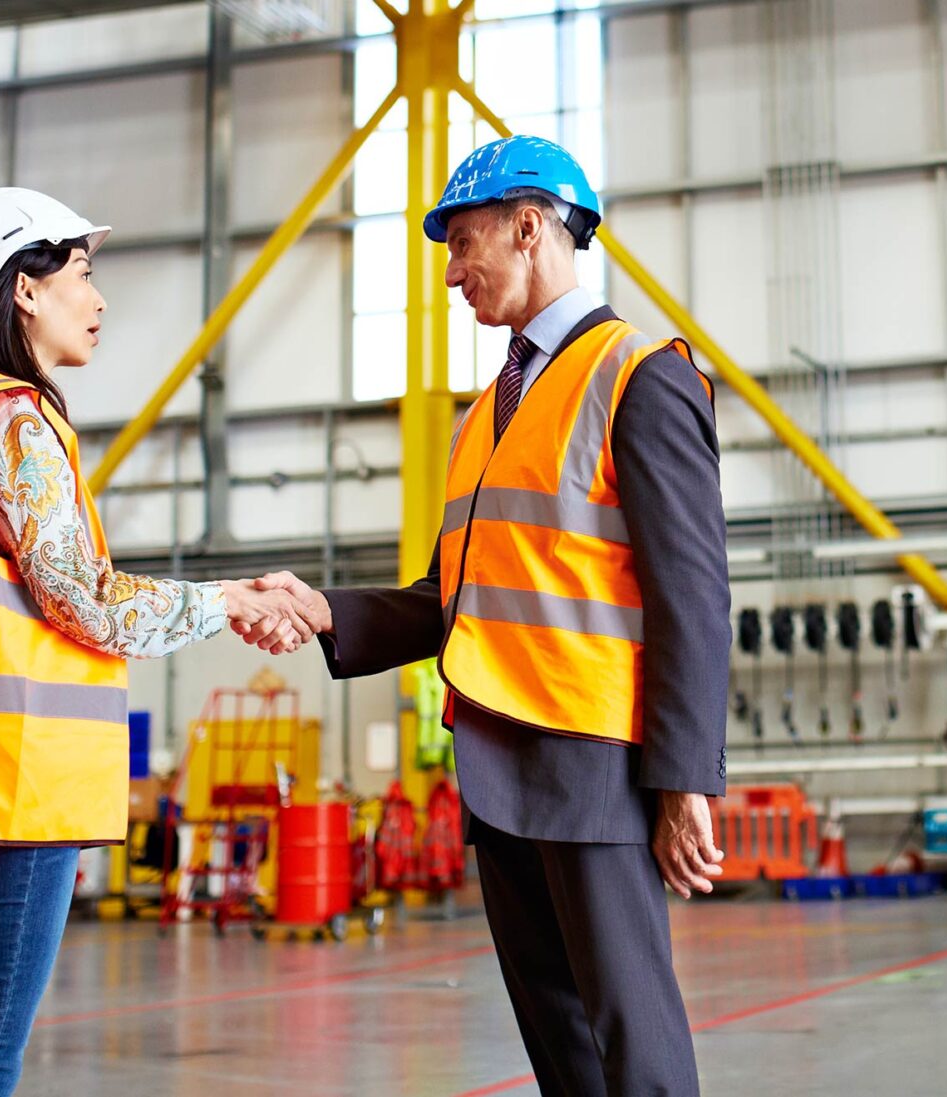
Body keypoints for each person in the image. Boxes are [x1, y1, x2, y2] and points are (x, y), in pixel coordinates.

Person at [256, 135, 729, 1096]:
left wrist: (685, 778)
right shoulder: (487, 413)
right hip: (499, 766)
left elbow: (694, 596)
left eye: (464, 243)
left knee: (632, 1037)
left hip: (594, 757)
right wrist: (324, 611)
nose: (452, 274)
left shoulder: (638, 375)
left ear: (529, 228)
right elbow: (449, 598)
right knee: (561, 1042)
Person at [0, 187, 315, 1097]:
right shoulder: (13, 417)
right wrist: (226, 601)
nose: (97, 298)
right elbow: (87, 603)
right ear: (23, 290)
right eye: (82, 274)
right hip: (21, 783)